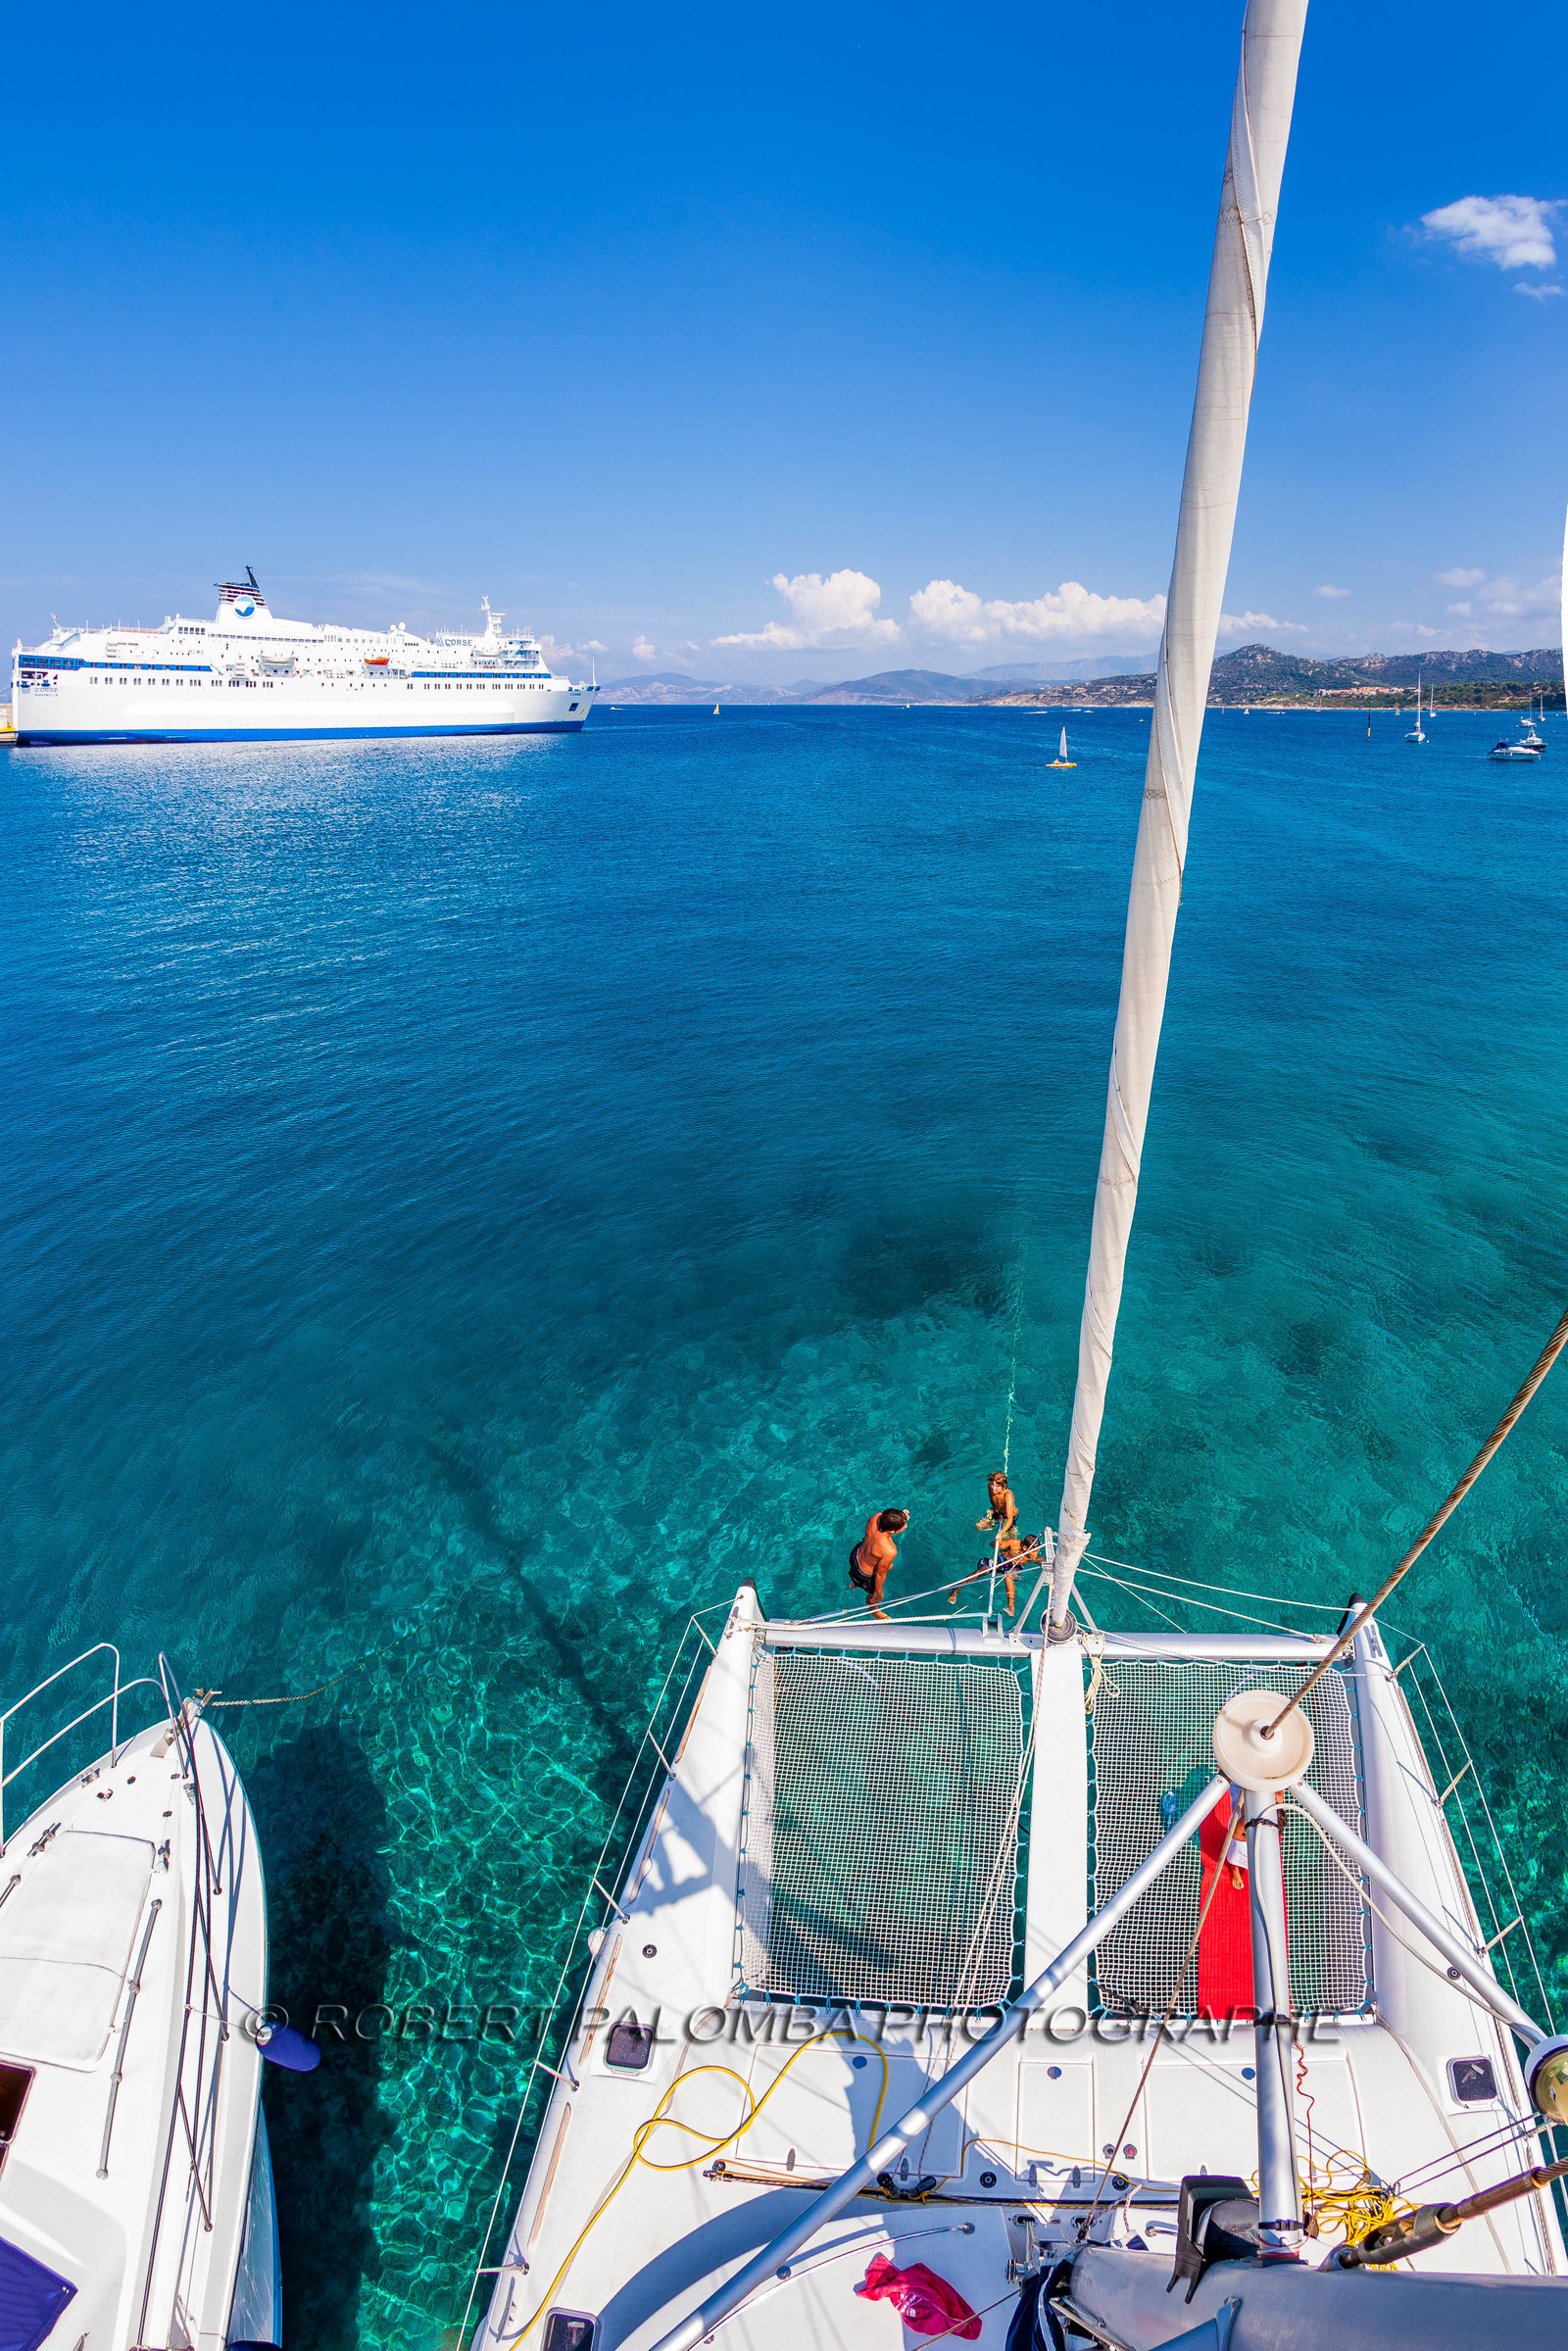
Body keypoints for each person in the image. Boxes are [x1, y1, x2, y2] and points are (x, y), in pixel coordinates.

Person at [948, 1471, 1030, 1614]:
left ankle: (1012, 1568)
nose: (993, 1488)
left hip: (1008, 1517)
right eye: (992, 1484)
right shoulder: (989, 1487)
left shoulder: (1008, 1495)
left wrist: (1000, 1532)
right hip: (995, 1512)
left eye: (996, 1486)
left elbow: (1009, 1519)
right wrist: (993, 1518)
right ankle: (993, 1528)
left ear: (1003, 1486)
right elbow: (993, 1504)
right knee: (979, 1526)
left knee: (1011, 1544)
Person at [850, 1508, 908, 1619]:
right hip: (864, 1573)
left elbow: (888, 1518)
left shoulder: (876, 1517)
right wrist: (878, 1592)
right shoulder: (889, 1550)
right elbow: (880, 1574)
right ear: (893, 1531)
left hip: (855, 1554)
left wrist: (901, 1516)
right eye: (903, 1525)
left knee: (889, 1565)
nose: (906, 1526)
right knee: (874, 1595)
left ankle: (855, 1583)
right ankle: (874, 1611)